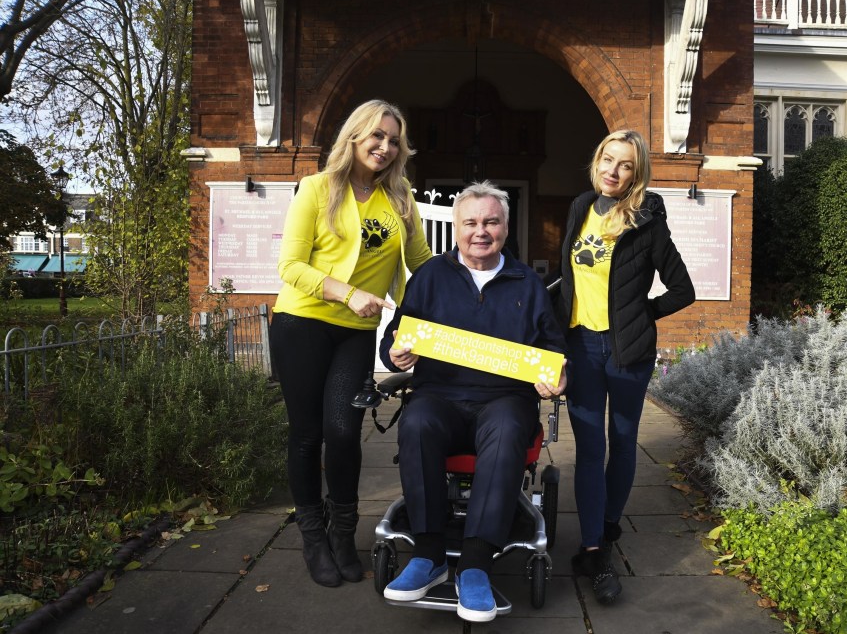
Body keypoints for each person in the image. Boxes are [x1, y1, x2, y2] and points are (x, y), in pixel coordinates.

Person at [378, 181, 567, 623]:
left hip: (504, 398)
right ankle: (428, 555)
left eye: (491, 222)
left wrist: (558, 376)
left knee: (505, 430)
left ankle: (477, 563)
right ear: (457, 228)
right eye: (471, 223)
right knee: (417, 422)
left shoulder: (529, 284)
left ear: (504, 227)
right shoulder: (430, 277)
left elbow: (554, 350)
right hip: (439, 394)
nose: (480, 231)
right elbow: (396, 336)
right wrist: (396, 352)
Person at [270, 100, 433, 588]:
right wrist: (346, 292)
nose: (385, 147)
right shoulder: (318, 190)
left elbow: (421, 265)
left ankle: (343, 534)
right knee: (306, 435)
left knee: (343, 432)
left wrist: (465, 290)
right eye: (376, 137)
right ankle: (313, 538)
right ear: (355, 138)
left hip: (356, 335)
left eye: (393, 140)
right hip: (302, 323)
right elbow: (291, 266)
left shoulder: (400, 199)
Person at [556, 130, 695, 605]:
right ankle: (594, 547)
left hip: (627, 352)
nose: (613, 171)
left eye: (625, 165)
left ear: (638, 174)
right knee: (590, 448)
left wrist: (640, 316)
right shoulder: (580, 208)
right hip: (581, 347)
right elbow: (569, 279)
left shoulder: (647, 220)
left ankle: (610, 523)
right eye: (607, 160)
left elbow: (682, 289)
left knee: (623, 438)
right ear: (596, 162)